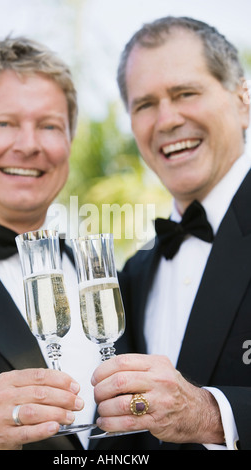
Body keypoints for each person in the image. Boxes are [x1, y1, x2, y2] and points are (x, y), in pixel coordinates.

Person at [0, 36, 135, 451]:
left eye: (49, 126)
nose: (30, 145)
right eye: (5, 123)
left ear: (68, 143)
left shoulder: (114, 281)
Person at [91, 17, 251, 450]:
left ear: (242, 100)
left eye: (186, 93)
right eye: (145, 104)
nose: (167, 119)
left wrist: (210, 416)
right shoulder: (134, 273)